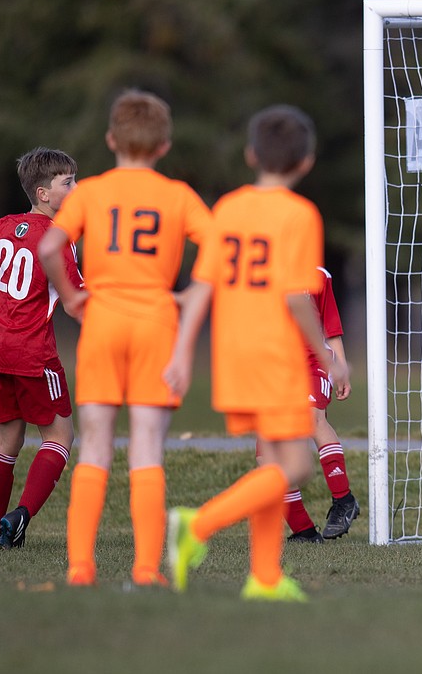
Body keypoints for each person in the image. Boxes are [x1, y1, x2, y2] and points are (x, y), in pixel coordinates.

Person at [164, 104, 349, 602]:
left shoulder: (227, 208)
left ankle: (264, 576)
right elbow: (295, 297)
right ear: (306, 162)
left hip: (233, 355)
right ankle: (197, 524)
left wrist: (182, 352)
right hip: (276, 355)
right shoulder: (299, 214)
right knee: (295, 466)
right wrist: (325, 353)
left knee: (271, 461)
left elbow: (200, 287)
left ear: (251, 155)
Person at [39, 90, 211, 587]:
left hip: (103, 322)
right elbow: (218, 250)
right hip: (157, 322)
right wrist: (188, 294)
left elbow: (52, 244)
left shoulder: (90, 191)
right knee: (147, 446)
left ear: (111, 139)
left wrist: (73, 297)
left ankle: (79, 568)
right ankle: (145, 568)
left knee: (94, 443)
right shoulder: (178, 195)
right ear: (164, 146)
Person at [0, 148, 83, 550]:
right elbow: (78, 299)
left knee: (7, 438)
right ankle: (20, 516)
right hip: (33, 353)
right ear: (43, 192)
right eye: (68, 182)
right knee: (60, 434)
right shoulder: (57, 239)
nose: (76, 188)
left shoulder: (2, 226)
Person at [279, 265, 359, 544]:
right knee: (268, 457)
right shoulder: (258, 271)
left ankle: (344, 501)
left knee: (312, 419)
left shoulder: (318, 276)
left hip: (315, 363)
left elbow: (331, 327)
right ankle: (304, 531)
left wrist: (341, 368)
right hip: (277, 370)